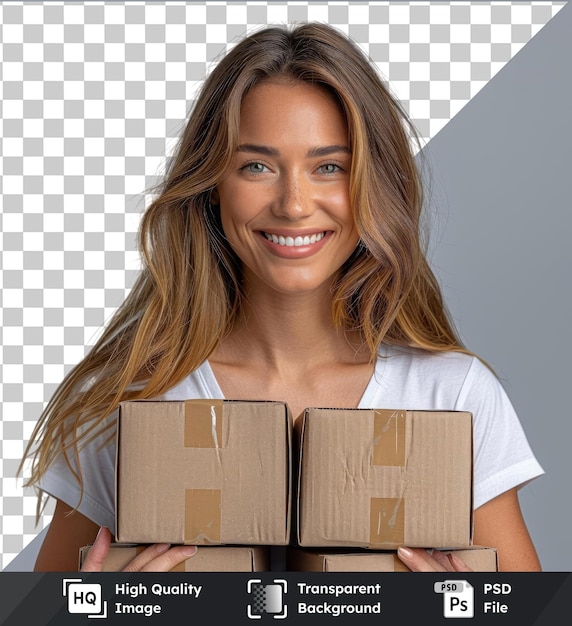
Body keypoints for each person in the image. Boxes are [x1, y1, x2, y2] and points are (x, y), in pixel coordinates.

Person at [20, 22, 543, 572]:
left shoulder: (451, 396)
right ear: (211, 184)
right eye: (257, 167)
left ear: (373, 183)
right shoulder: (128, 401)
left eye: (328, 167)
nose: (294, 204)